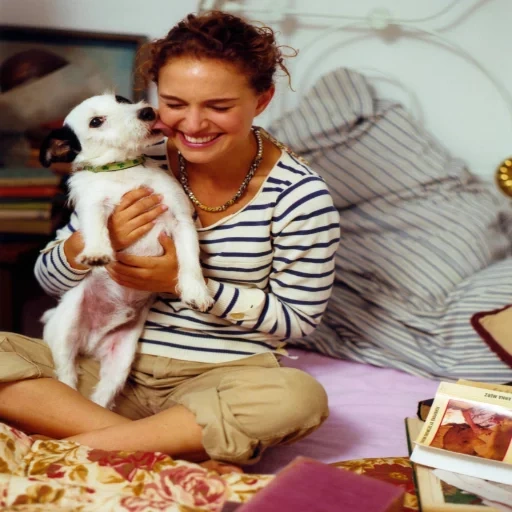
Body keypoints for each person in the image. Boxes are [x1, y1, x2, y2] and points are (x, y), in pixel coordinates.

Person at [0, 11, 340, 471]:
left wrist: (182, 281)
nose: (193, 125)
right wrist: (88, 242)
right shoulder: (128, 155)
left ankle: (76, 442)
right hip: (103, 363)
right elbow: (50, 278)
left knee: (299, 398)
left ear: (262, 99)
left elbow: (298, 321)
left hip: (218, 379)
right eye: (175, 102)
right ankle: (154, 446)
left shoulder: (301, 196)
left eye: (218, 106)